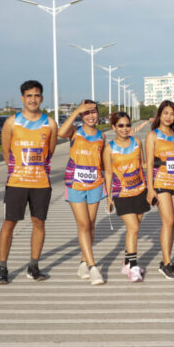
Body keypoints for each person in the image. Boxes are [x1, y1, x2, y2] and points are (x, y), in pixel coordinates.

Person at [0, 80, 57, 284]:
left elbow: (49, 152)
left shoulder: (50, 124)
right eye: (29, 96)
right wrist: (18, 170)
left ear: (42, 98)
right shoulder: (12, 123)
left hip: (41, 183)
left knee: (38, 223)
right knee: (9, 223)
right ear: (22, 98)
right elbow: (6, 151)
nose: (33, 99)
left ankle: (33, 266)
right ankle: (2, 268)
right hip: (17, 182)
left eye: (37, 95)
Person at [58, 100, 105, 285]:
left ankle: (83, 262)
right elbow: (61, 132)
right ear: (81, 116)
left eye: (93, 112)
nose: (91, 116)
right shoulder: (75, 132)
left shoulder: (102, 136)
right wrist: (76, 110)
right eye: (86, 113)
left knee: (91, 225)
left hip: (95, 184)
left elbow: (102, 161)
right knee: (83, 224)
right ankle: (93, 267)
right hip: (75, 184)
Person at [103, 111, 149, 283]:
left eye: (127, 125)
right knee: (134, 228)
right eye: (120, 125)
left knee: (134, 230)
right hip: (121, 193)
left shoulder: (137, 142)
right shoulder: (109, 149)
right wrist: (108, 197)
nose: (125, 128)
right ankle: (134, 267)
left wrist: (160, 163)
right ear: (113, 127)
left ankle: (127, 262)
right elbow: (108, 173)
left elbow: (143, 164)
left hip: (140, 190)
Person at [145, 100, 174, 280]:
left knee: (173, 222)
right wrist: (150, 189)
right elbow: (149, 164)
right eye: (166, 113)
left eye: (172, 114)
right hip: (161, 181)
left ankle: (167, 260)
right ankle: (166, 263)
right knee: (168, 221)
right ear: (159, 115)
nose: (169, 117)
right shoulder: (153, 135)